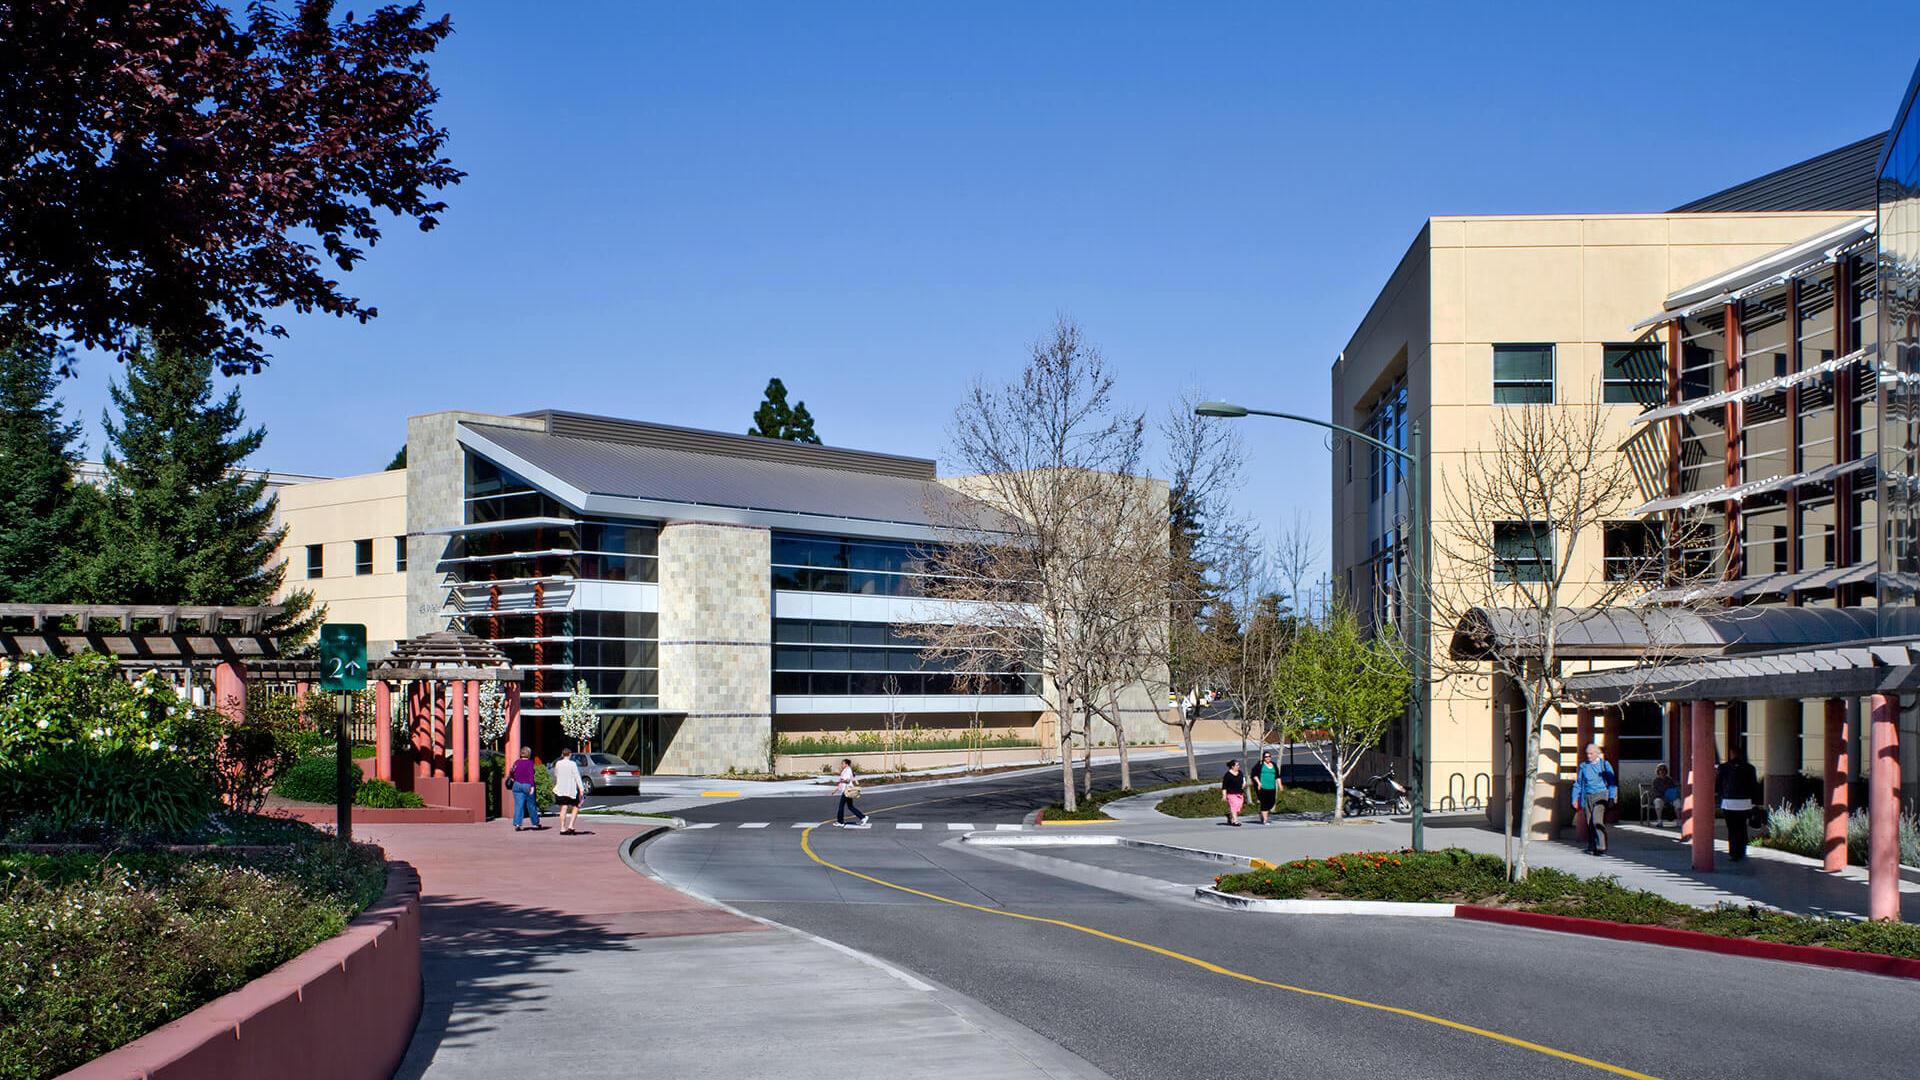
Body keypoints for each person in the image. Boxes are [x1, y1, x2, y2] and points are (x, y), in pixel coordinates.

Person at [1568, 742, 1616, 855]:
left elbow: (1612, 782)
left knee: (1597, 820)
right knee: (1590, 823)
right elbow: (1578, 783)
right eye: (1587, 754)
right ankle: (1591, 846)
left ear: (1597, 753)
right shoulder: (1583, 766)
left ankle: (1601, 847)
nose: (1588, 756)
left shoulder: (1605, 765)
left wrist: (1612, 797)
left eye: (1591, 753)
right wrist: (1574, 798)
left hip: (1601, 795)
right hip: (1587, 796)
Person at [1716, 746, 1762, 861]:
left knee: (1732, 829)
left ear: (1731, 754)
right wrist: (1755, 803)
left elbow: (1718, 785)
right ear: (1741, 755)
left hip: (1728, 802)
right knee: (1742, 827)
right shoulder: (1750, 768)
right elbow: (1754, 786)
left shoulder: (1723, 768)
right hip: (1744, 802)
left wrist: (1720, 797)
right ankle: (1742, 851)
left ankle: (1733, 852)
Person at [508, 746, 543, 831]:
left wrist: (512, 778)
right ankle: (535, 823)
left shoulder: (517, 762)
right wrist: (532, 787)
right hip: (527, 785)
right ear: (529, 754)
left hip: (517, 785)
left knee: (518, 805)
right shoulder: (530, 763)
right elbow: (531, 775)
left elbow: (512, 771)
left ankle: (517, 824)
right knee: (531, 805)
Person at [552, 752, 585, 835]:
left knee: (563, 807)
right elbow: (577, 776)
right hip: (571, 789)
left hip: (560, 789)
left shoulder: (558, 764)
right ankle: (571, 825)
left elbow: (556, 774)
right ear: (570, 755)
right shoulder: (572, 764)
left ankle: (562, 827)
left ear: (562, 755)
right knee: (576, 806)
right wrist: (581, 789)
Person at [835, 758, 871, 828]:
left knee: (841, 806)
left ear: (846, 764)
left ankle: (840, 822)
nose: (841, 765)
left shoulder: (847, 770)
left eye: (843, 763)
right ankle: (863, 817)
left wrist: (841, 781)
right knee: (850, 806)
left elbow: (848, 780)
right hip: (848, 790)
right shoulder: (847, 770)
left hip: (847, 790)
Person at [1251, 750, 1281, 824]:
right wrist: (1258, 783)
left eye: (1269, 756)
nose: (1268, 758)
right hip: (1262, 787)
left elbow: (1277, 776)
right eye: (1266, 757)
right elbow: (1254, 775)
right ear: (1263, 757)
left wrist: (1280, 785)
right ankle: (1265, 820)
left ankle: (1262, 813)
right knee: (1264, 803)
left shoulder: (1273, 764)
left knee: (1272, 802)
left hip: (1272, 787)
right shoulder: (1260, 765)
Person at [1221, 759, 1246, 826]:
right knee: (1234, 806)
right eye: (1237, 765)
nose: (1238, 766)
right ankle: (1235, 821)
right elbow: (1224, 786)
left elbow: (1243, 779)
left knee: (1239, 807)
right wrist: (1224, 795)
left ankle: (1230, 816)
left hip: (1240, 793)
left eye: (1238, 765)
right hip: (1231, 794)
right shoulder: (1227, 775)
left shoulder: (1240, 772)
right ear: (1232, 766)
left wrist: (1244, 783)